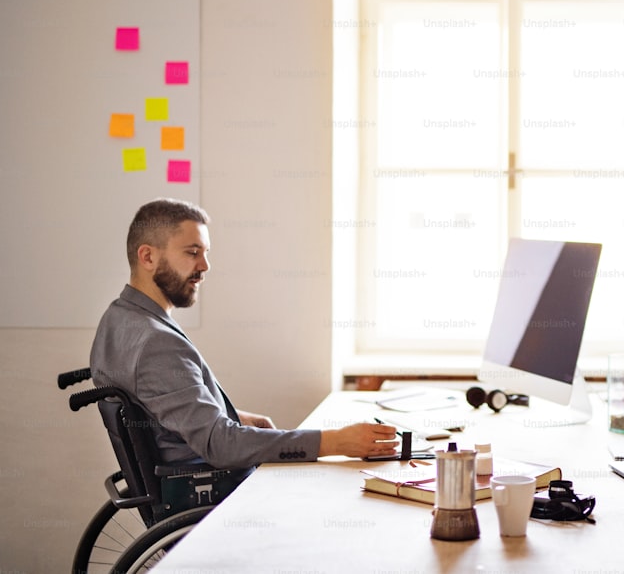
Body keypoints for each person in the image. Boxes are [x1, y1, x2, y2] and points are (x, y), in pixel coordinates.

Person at [90, 198, 398, 470]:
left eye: (205, 252)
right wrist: (334, 443)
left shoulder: (118, 319)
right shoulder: (158, 343)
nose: (205, 265)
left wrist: (230, 415)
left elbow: (164, 407)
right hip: (206, 486)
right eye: (192, 252)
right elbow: (221, 445)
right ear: (148, 257)